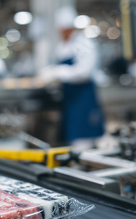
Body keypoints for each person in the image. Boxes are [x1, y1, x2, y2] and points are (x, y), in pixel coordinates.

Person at [40, 6, 105, 150]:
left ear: (69, 28)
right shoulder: (63, 46)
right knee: (72, 137)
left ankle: (85, 167)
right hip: (70, 99)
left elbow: (84, 72)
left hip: (83, 98)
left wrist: (58, 72)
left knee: (83, 140)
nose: (61, 33)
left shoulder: (84, 43)